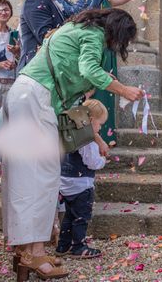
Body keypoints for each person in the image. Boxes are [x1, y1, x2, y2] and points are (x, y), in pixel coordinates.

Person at [0, 9, 144, 280]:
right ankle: (35, 252)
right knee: (44, 177)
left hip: (25, 93)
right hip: (35, 97)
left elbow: (73, 75)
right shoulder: (94, 33)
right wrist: (123, 90)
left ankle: (25, 249)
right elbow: (88, 68)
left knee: (23, 177)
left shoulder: (74, 29)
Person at [78, 0, 147, 146]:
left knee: (108, 89)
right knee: (95, 88)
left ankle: (106, 135)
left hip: (105, 46)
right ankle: (91, 137)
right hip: (91, 47)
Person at [56, 99, 107, 259]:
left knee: (69, 216)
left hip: (65, 183)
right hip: (81, 186)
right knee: (81, 218)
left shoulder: (70, 136)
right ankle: (78, 246)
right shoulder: (87, 141)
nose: (100, 128)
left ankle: (63, 245)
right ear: (91, 121)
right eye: (99, 124)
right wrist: (103, 160)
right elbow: (92, 162)